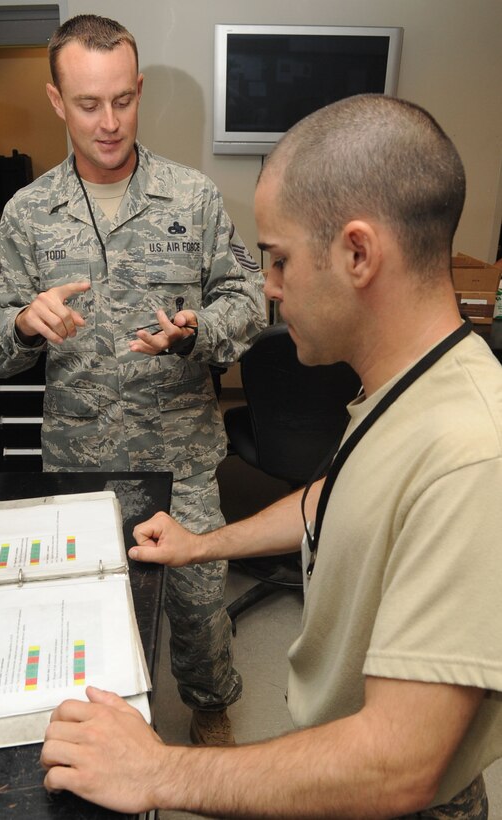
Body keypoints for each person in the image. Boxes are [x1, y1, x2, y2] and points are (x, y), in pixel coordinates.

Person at [39, 94, 502, 818]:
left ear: (356, 253)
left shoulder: (472, 450)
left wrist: (159, 771)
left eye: (278, 260)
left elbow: (397, 766)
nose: (268, 289)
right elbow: (334, 498)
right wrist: (202, 546)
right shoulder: (404, 389)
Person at [0, 14, 266, 745]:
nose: (109, 123)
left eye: (123, 101)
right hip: (79, 457)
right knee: (91, 610)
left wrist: (198, 330)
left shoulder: (191, 199)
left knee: (198, 608)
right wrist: (21, 323)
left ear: (137, 90)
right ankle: (109, 730)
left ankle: (208, 706)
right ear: (55, 100)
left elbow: (248, 299)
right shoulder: (29, 213)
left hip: (182, 454)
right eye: (88, 104)